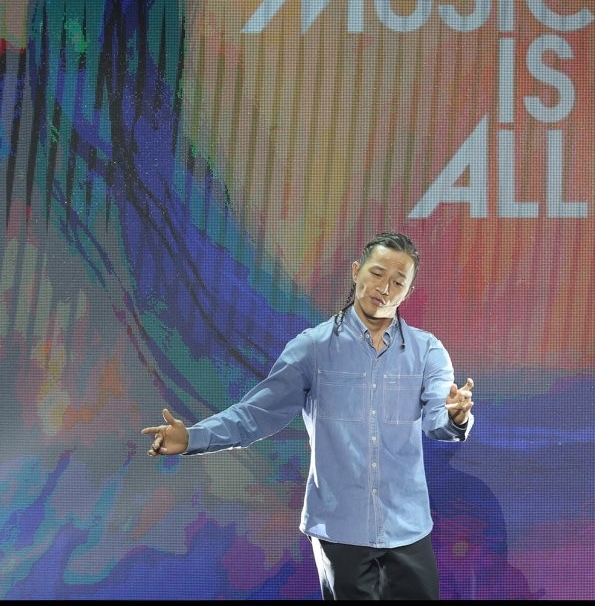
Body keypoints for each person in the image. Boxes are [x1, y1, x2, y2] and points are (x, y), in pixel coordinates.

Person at [142, 231, 475, 600]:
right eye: (378, 273)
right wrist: (193, 437)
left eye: (398, 282)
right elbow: (258, 413)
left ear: (408, 292)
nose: (385, 288)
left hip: (408, 530)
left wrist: (456, 417)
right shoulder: (312, 347)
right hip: (340, 531)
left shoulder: (428, 351)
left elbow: (437, 419)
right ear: (356, 271)